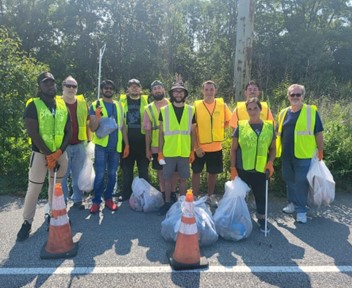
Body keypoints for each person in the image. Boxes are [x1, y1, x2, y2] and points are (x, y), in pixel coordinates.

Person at [17, 72, 71, 241]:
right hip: (41, 154)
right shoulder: (33, 105)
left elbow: (69, 131)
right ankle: (27, 222)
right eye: (46, 83)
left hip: (59, 154)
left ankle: (52, 216)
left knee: (55, 188)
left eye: (52, 83)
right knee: (34, 189)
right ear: (40, 86)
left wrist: (59, 153)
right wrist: (49, 155)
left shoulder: (62, 105)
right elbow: (33, 133)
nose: (50, 86)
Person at [276, 84, 324, 224]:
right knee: (289, 180)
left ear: (303, 96)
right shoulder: (283, 112)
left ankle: (302, 210)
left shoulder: (311, 111)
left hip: (303, 155)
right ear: (288, 96)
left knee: (301, 183)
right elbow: (278, 133)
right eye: (292, 94)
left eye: (298, 94)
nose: (295, 97)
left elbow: (319, 133)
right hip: (286, 155)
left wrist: (320, 150)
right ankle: (292, 203)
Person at [230, 97, 276, 232]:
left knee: (260, 195)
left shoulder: (268, 127)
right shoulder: (241, 126)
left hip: (261, 169)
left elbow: (273, 148)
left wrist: (270, 163)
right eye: (249, 109)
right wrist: (232, 167)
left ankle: (261, 218)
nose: (252, 111)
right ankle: (242, 218)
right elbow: (233, 149)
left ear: (260, 109)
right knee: (241, 195)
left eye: (255, 108)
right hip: (242, 167)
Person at [89, 80, 129, 214]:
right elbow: (93, 128)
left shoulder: (119, 105)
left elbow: (122, 126)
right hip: (101, 146)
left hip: (116, 147)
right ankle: (96, 202)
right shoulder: (95, 104)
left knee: (112, 174)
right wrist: (97, 117)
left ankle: (108, 199)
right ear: (102, 90)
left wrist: (126, 144)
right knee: (100, 174)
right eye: (106, 88)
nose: (108, 90)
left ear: (114, 90)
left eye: (111, 88)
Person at [157, 77, 196, 215]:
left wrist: (193, 150)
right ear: (172, 94)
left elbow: (193, 133)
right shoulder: (164, 110)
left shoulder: (191, 110)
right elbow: (161, 134)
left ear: (184, 94)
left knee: (183, 179)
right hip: (169, 151)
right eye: (175, 92)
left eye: (181, 92)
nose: (178, 94)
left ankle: (182, 204)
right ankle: (167, 203)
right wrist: (160, 152)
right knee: (167, 179)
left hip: (184, 152)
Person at [191, 80, 232, 206]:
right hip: (200, 148)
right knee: (196, 172)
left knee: (213, 173)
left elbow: (228, 121)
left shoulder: (222, 105)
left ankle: (210, 196)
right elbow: (192, 129)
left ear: (215, 91)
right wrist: (196, 147)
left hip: (216, 147)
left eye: (211, 89)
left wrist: (218, 129)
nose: (209, 92)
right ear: (202, 91)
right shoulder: (196, 107)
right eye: (206, 89)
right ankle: (194, 197)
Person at [143, 80, 178, 202]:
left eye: (159, 88)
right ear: (152, 92)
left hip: (172, 144)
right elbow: (147, 131)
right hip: (156, 147)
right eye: (155, 88)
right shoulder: (148, 108)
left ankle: (173, 193)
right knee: (161, 172)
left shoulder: (173, 103)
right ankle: (164, 194)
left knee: (174, 171)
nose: (157, 90)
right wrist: (147, 149)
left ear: (163, 89)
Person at [60, 76, 90, 209]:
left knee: (79, 175)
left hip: (79, 144)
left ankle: (78, 199)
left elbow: (88, 122)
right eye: (68, 85)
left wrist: (90, 141)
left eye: (74, 86)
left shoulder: (82, 102)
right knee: (62, 176)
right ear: (63, 87)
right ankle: (62, 201)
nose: (71, 88)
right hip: (62, 146)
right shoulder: (56, 102)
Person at [119, 79, 150, 202]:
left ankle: (145, 195)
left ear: (140, 89)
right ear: (128, 89)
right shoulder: (121, 102)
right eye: (131, 86)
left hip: (142, 143)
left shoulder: (146, 100)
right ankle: (126, 193)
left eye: (136, 86)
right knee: (127, 171)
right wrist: (126, 144)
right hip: (127, 142)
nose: (134, 88)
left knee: (143, 171)